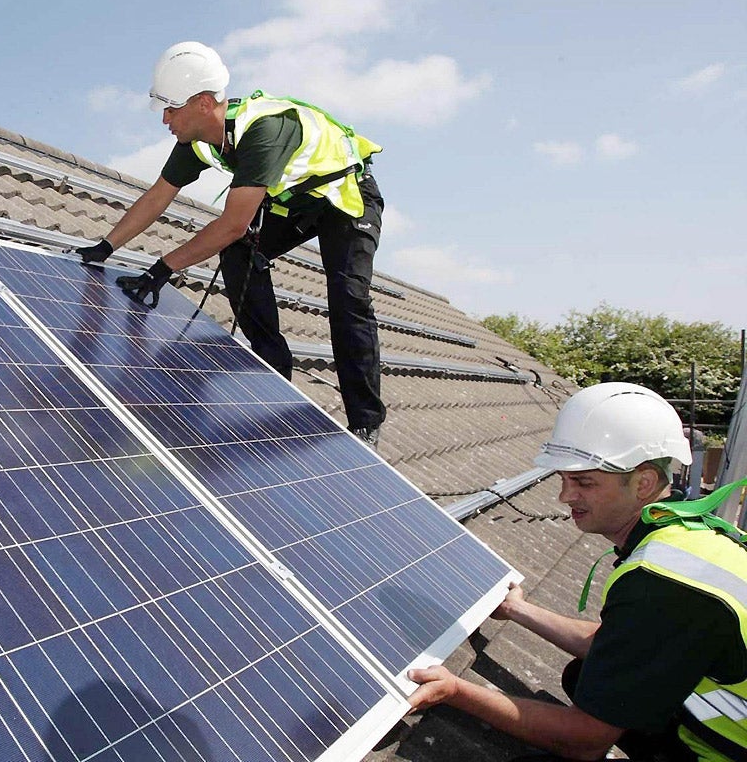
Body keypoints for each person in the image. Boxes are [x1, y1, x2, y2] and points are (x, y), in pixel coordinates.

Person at [406, 382, 747, 761]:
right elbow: (621, 641)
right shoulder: (686, 537)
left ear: (644, 482)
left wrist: (455, 690)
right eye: (564, 480)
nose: (564, 497)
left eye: (583, 482)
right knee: (585, 675)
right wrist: (517, 609)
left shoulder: (664, 584)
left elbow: (586, 741)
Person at [77, 41, 386, 445]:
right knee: (240, 254)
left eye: (171, 109)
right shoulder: (199, 141)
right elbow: (158, 195)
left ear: (203, 103)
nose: (165, 119)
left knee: (347, 294)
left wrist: (162, 268)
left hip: (347, 199)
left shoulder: (265, 130)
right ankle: (273, 363)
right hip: (295, 204)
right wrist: (106, 246)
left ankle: (365, 419)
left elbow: (234, 222)